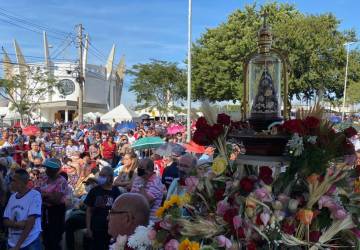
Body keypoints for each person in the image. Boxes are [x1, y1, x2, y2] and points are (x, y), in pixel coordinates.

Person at [35, 158, 69, 250]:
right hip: (44, 209)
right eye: (47, 168)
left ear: (55, 170)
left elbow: (56, 199)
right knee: (45, 235)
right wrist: (48, 195)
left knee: (55, 236)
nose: (47, 170)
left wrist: (43, 195)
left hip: (56, 211)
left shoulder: (61, 181)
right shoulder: (43, 177)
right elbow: (36, 191)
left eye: (49, 168)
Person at [3, 169, 42, 250]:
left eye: (14, 180)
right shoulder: (12, 197)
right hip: (12, 243)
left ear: (21, 182)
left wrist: (17, 246)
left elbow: (30, 223)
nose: (11, 183)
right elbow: (5, 220)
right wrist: (17, 224)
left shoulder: (35, 195)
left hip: (30, 243)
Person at [84, 166, 120, 250]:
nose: (100, 178)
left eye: (103, 176)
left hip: (110, 230)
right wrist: (88, 228)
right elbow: (89, 211)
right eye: (100, 175)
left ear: (110, 177)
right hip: (95, 229)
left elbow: (118, 211)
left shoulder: (116, 191)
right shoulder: (94, 191)